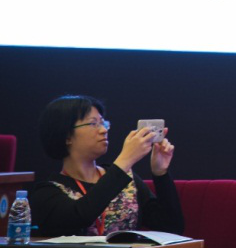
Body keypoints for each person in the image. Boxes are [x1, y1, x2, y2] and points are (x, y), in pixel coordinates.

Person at [30, 95, 184, 237]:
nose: (104, 130)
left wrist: (160, 173)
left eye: (103, 123)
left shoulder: (127, 181)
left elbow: (172, 227)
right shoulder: (47, 193)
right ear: (67, 136)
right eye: (93, 124)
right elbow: (80, 216)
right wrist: (125, 159)